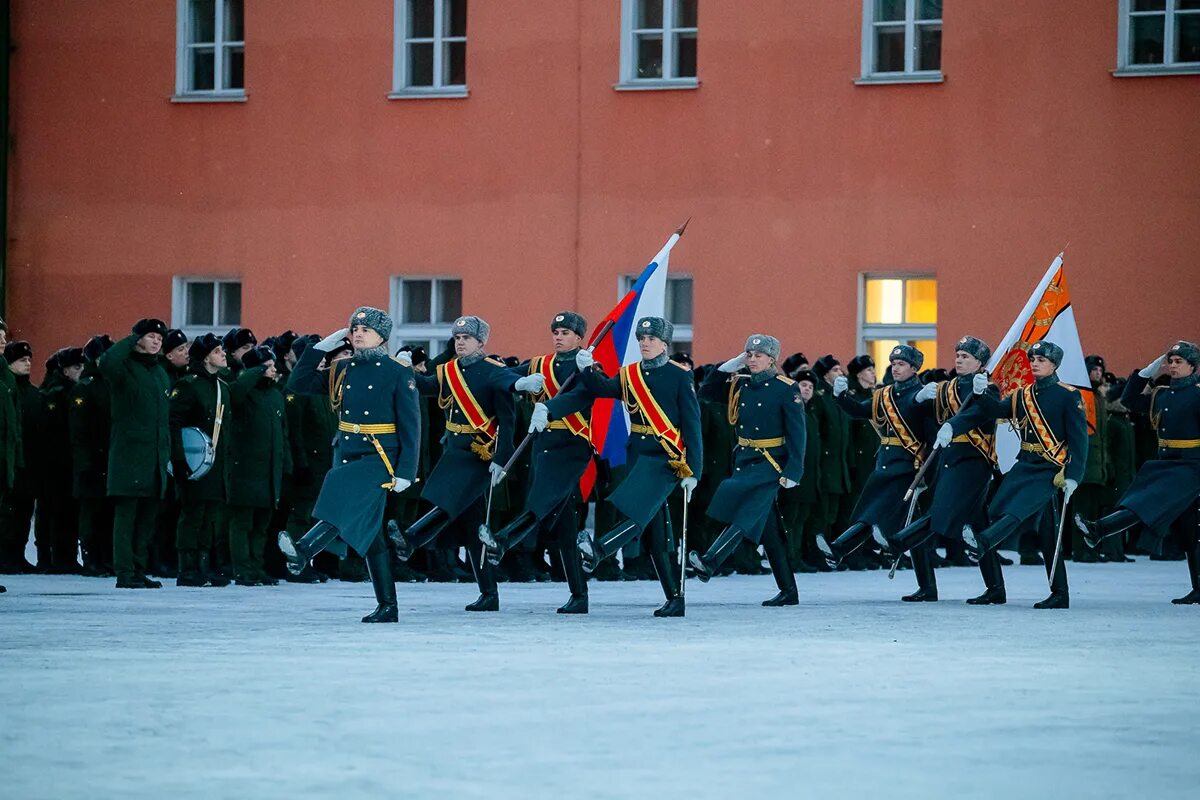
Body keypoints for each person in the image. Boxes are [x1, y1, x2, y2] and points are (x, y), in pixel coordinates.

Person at [279, 308, 420, 622]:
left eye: (366, 330)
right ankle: (388, 607)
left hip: (380, 457)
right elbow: (298, 383)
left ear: (382, 337)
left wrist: (406, 471)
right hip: (346, 452)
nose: (358, 334)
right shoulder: (342, 367)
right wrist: (319, 349)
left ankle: (304, 551)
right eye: (355, 328)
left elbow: (411, 424)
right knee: (371, 534)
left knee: (338, 498)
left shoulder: (397, 370)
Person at [571, 317, 702, 618]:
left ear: (664, 344)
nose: (644, 342)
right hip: (637, 456)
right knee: (656, 536)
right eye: (641, 338)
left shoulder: (679, 377)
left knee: (637, 514)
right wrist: (587, 368)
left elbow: (692, 427)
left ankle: (600, 550)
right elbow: (603, 389)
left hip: (667, 458)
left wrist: (693, 471)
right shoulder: (629, 374)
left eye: (651, 339)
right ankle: (675, 599)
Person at [389, 315, 516, 612]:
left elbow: (508, 422)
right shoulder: (449, 371)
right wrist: (405, 370)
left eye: (466, 338)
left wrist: (502, 459)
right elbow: (426, 385)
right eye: (457, 338)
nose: (460, 343)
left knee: (447, 503)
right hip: (455, 450)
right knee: (472, 526)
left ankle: (411, 539)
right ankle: (489, 593)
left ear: (481, 343)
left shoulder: (493, 372)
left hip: (479, 453)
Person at [955, 340, 1089, 609]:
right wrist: (982, 395)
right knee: (1037, 529)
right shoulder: (1023, 394)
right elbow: (997, 411)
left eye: (1041, 360)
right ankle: (1059, 593)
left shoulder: (1068, 395)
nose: (1035, 363)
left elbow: (1079, 440)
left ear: (1054, 365)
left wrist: (1074, 474)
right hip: (1026, 464)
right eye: (1034, 359)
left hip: (1050, 469)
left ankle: (983, 542)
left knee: (1017, 509)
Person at [480, 311, 596, 614]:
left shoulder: (586, 365)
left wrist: (589, 373)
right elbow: (499, 376)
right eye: (556, 332)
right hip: (543, 446)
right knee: (566, 527)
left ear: (579, 337)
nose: (559, 337)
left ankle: (503, 541)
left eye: (566, 332)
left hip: (572, 445)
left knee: (540, 500)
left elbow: (589, 394)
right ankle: (579, 595)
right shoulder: (540, 365)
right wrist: (519, 383)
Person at [1076, 341, 1200, 604]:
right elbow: (1130, 400)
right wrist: (1144, 374)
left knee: (1146, 503)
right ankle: (1198, 588)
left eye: (1180, 362)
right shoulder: (1162, 394)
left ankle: (1098, 530)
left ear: (1194, 367)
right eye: (1172, 362)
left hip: (1191, 466)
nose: (1174, 366)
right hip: (1165, 462)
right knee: (1190, 529)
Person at [687, 334, 805, 607]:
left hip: (770, 464)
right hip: (745, 460)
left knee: (746, 514)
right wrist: (726, 368)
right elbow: (706, 393)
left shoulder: (786, 389)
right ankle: (789, 590)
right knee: (770, 533)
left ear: (771, 359)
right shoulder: (741, 385)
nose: (752, 360)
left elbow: (798, 434)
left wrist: (794, 470)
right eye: (749, 355)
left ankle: (711, 561)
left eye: (758, 356)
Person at [888, 336, 1003, 604]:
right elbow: (918, 413)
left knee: (940, 511)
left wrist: (961, 418)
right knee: (977, 524)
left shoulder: (989, 388)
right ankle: (994, 588)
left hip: (974, 461)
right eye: (958, 355)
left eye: (966, 357)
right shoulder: (947, 388)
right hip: (949, 460)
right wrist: (917, 398)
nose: (960, 360)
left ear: (980, 363)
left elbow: (980, 414)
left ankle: (899, 542)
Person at [817, 345, 937, 600]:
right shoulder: (885, 395)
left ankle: (839, 548)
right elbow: (859, 411)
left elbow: (930, 436)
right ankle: (927, 587)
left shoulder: (923, 394)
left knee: (873, 511)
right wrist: (839, 397)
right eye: (893, 364)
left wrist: (927, 471)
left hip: (907, 466)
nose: (895, 368)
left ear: (915, 369)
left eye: (902, 364)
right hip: (885, 462)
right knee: (904, 524)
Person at [100, 319, 172, 589]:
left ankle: (139, 569)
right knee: (126, 518)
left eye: (159, 338)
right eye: (151, 336)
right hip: (129, 457)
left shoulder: (159, 373)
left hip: (154, 458)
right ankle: (125, 571)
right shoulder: (124, 368)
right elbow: (106, 362)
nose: (157, 341)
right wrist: (131, 340)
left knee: (146, 520)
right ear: (138, 338)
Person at [169, 333, 232, 587]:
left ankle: (204, 566)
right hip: (193, 463)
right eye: (218, 351)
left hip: (215, 463)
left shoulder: (222, 388)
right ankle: (187, 568)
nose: (223, 355)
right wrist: (179, 460)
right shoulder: (188, 385)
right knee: (192, 514)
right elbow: (174, 425)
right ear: (206, 357)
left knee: (209, 515)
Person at [69, 335, 115, 576]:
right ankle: (91, 558)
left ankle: (104, 557)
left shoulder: (110, 384)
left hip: (109, 459)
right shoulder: (85, 387)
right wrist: (86, 462)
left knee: (106, 512)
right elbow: (79, 430)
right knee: (91, 513)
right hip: (91, 462)